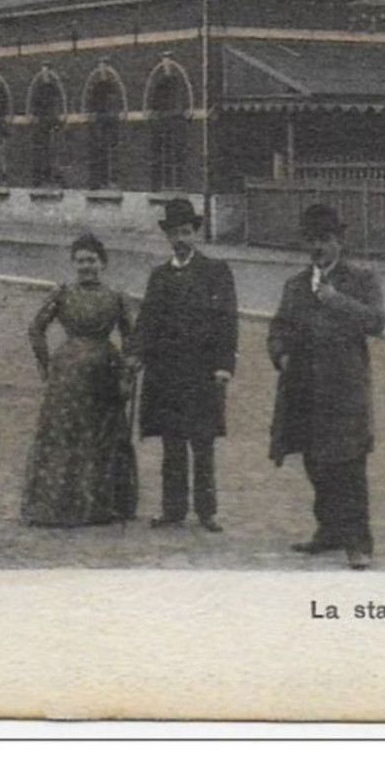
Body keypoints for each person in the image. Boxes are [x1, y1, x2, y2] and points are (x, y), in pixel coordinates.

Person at [268, 204, 385, 570]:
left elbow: (377, 322)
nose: (318, 247)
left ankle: (358, 542)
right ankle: (329, 530)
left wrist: (338, 301)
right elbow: (278, 328)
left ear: (339, 242)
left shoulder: (361, 281)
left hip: (344, 388)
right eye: (313, 240)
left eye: (326, 239)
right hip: (304, 389)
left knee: (349, 465)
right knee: (315, 463)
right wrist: (282, 355)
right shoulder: (296, 285)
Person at [130, 198, 238, 532]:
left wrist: (223, 365)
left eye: (186, 232)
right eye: (174, 233)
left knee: (202, 443)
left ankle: (207, 511)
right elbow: (147, 321)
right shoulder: (159, 275)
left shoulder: (215, 272)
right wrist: (135, 354)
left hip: (203, 372)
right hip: (166, 374)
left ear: (195, 234)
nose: (180, 239)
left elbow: (227, 322)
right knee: (172, 444)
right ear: (167, 236)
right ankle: (173, 509)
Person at [22, 232, 138, 527]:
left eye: (92, 260)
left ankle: (102, 506)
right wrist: (46, 365)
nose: (87, 266)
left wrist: (127, 372)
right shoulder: (62, 294)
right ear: (74, 263)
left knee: (101, 435)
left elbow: (131, 337)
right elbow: (36, 329)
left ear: (103, 263)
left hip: (105, 375)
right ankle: (59, 506)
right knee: (67, 434)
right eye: (81, 261)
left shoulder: (117, 297)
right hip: (67, 377)